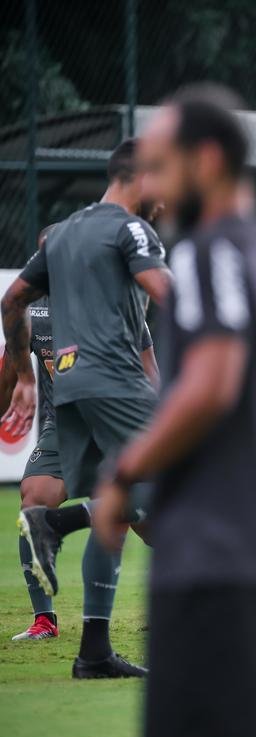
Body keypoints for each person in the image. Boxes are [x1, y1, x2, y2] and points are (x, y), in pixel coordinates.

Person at [89, 84, 256, 737]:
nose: (150, 186)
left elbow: (214, 381)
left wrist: (124, 475)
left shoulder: (206, 254)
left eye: (160, 165)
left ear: (208, 159)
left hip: (211, 558)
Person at [2, 138, 170, 678]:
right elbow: (167, 293)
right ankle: (57, 524)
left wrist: (27, 376)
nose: (165, 201)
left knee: (123, 509)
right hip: (115, 384)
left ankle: (94, 651)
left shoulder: (65, 232)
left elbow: (12, 301)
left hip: (71, 386)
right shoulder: (131, 228)